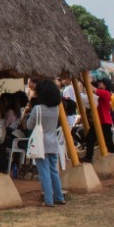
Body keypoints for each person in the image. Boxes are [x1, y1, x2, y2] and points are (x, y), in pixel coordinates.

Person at [26, 79, 66, 207]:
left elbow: (28, 125)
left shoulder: (37, 109)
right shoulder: (56, 109)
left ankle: (48, 200)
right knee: (54, 171)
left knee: (44, 172)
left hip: (40, 144)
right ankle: (59, 197)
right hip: (53, 142)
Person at [83, 78, 114, 162]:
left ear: (105, 85)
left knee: (108, 142)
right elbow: (90, 88)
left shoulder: (106, 93)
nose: (99, 84)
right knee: (90, 138)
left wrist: (83, 79)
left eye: (101, 83)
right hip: (101, 121)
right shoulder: (105, 93)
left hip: (104, 122)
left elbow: (93, 90)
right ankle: (89, 157)